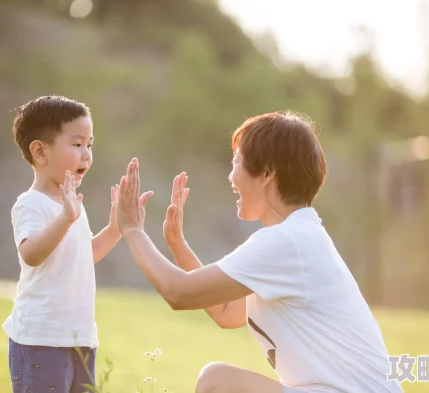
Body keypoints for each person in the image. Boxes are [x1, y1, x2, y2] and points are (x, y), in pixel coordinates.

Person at [114, 111, 403, 393]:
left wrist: (132, 229)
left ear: (266, 173)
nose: (230, 176)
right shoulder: (299, 237)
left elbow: (179, 293)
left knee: (216, 381)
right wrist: (178, 245)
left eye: (236, 162)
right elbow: (226, 312)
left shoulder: (286, 242)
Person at [3, 95, 151, 393]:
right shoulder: (31, 204)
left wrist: (116, 227)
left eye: (90, 144)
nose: (86, 154)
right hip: (40, 341)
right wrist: (65, 219)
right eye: (77, 144)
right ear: (40, 152)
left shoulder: (72, 207)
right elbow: (31, 254)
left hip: (80, 338)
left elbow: (87, 254)